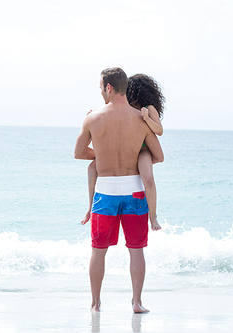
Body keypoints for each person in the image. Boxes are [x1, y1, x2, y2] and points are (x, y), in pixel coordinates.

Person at [74, 67, 164, 313]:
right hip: (135, 193)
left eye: (100, 87)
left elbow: (79, 153)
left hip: (105, 194)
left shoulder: (93, 118)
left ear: (109, 88)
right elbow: (158, 154)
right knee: (136, 250)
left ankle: (95, 304)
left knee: (98, 250)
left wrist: (101, 154)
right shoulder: (140, 118)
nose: (100, 91)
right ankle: (136, 302)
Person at [81, 74, 165, 231]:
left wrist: (147, 119)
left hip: (144, 149)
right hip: (128, 148)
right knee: (91, 168)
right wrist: (95, 112)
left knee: (148, 178)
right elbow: (112, 111)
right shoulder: (129, 107)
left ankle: (153, 217)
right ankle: (90, 208)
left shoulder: (149, 108)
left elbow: (159, 131)